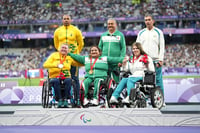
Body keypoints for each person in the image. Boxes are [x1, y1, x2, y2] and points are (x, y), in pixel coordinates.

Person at [54, 14, 84, 106]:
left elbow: (81, 43)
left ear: (71, 20)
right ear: (62, 20)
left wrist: (76, 53)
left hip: (73, 58)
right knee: (63, 78)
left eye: (68, 19)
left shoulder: (76, 30)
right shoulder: (58, 31)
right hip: (62, 59)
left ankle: (77, 99)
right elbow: (56, 44)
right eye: (64, 19)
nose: (66, 20)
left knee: (75, 78)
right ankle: (64, 98)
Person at [136, 14, 165, 106]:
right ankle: (144, 100)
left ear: (153, 21)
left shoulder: (158, 32)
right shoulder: (141, 33)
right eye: (146, 20)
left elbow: (162, 47)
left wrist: (160, 59)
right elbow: (137, 46)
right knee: (143, 81)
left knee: (158, 81)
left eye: (149, 20)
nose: (147, 21)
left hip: (155, 60)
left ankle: (161, 100)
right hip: (144, 60)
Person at [98, 18, 126, 84]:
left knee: (116, 81)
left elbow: (123, 48)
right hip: (105, 62)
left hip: (115, 62)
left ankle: (115, 93)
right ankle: (106, 94)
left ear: (116, 25)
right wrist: (99, 59)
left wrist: (121, 60)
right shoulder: (103, 35)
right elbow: (99, 48)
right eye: (109, 24)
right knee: (104, 80)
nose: (110, 25)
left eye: (112, 24)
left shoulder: (120, 35)